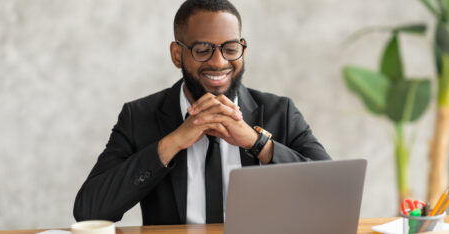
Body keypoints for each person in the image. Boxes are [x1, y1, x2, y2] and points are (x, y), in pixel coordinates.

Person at [73, 0, 330, 225]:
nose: (219, 62)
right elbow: (89, 211)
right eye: (202, 50)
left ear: (242, 49)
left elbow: (332, 193)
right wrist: (171, 143)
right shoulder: (139, 117)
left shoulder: (280, 112)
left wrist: (258, 143)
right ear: (177, 54)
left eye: (230, 48)